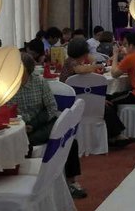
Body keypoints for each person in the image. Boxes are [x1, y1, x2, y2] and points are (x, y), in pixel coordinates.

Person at [10, 53, 86, 198]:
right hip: (18, 127)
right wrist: (21, 126)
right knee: (24, 142)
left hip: (42, 123)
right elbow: (3, 111)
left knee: (69, 140)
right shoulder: (7, 85)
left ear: (28, 70)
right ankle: (28, 182)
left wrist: (33, 125)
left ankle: (71, 182)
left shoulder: (39, 83)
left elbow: (51, 108)